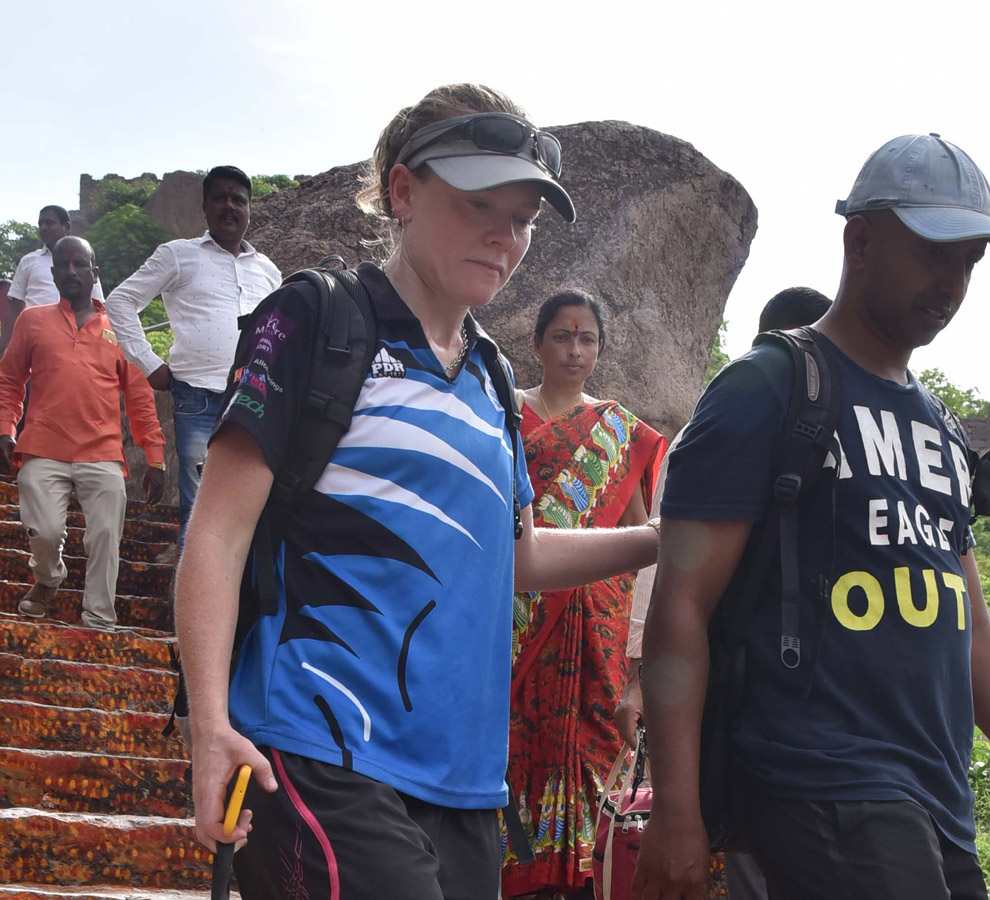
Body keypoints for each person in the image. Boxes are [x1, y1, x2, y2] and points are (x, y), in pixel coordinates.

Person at [174, 84, 662, 900]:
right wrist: (210, 728)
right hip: (319, 746)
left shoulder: (493, 380)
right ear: (403, 191)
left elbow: (521, 556)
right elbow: (216, 533)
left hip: (464, 782)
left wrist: (660, 539)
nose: (504, 238)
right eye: (479, 204)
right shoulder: (317, 319)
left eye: (523, 220)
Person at [633, 134, 990, 900]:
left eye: (968, 261)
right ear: (860, 240)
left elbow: (973, 628)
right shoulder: (767, 388)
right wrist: (677, 811)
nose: (951, 282)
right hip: (820, 781)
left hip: (940, 799)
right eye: (932, 252)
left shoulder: (942, 428)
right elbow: (681, 607)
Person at [618, 287, 831, 900]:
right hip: (737, 682)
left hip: (824, 708)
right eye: (797, 351)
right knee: (746, 851)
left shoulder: (846, 439)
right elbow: (666, 578)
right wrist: (637, 678)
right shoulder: (720, 430)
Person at [503, 290, 667, 898]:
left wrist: (638, 664)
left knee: (585, 758)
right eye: (562, 336)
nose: (575, 350)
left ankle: (574, 877)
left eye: (588, 338)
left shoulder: (621, 434)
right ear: (537, 343)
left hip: (595, 635)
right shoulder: (504, 416)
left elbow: (645, 543)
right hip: (512, 631)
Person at [104, 166, 281, 536]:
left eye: (239, 200)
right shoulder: (178, 255)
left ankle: (240, 595)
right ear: (205, 206)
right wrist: (149, 362)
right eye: (220, 198)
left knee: (256, 509)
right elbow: (120, 301)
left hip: (255, 401)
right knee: (199, 511)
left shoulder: (268, 270)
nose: (229, 206)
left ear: (249, 210)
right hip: (197, 400)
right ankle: (193, 596)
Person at [0, 236, 165, 629]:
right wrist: (5, 429)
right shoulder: (33, 320)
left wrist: (155, 456)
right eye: (63, 264)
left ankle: (98, 619)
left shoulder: (119, 329)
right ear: (53, 273)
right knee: (44, 530)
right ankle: (48, 577)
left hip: (102, 452)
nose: (71, 271)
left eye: (80, 264)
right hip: (42, 446)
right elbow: (9, 380)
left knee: (107, 534)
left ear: (95, 273)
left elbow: (140, 398)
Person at [2, 206, 104, 355]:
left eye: (49, 223)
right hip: (35, 341)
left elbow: (98, 307)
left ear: (66, 227)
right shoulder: (29, 261)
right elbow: (15, 309)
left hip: (75, 342)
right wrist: (3, 349)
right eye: (40, 224)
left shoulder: (82, 264)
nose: (43, 228)